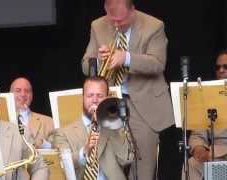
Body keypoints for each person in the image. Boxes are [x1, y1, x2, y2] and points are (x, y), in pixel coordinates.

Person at [81, 0, 175, 179]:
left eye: (121, 21)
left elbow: (158, 63)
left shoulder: (154, 26)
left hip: (144, 105)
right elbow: (86, 65)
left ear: (133, 10)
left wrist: (127, 58)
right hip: (109, 103)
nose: (116, 24)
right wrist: (99, 60)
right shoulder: (98, 25)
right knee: (109, 159)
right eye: (112, 19)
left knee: (143, 166)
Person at [51, 77, 133, 180]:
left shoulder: (118, 127)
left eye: (100, 96)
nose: (94, 100)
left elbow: (126, 159)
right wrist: (84, 151)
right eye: (90, 95)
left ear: (107, 99)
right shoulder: (62, 133)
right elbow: (61, 164)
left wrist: (110, 124)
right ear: (82, 98)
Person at [185, 49, 227, 180]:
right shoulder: (209, 97)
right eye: (218, 67)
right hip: (214, 153)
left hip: (220, 153)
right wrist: (198, 147)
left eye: (226, 67)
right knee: (192, 164)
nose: (221, 70)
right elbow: (198, 132)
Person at [10, 77, 54, 149]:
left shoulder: (49, 121)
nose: (23, 94)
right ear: (10, 94)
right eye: (18, 91)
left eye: (27, 91)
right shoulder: (0, 121)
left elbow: (58, 149)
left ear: (32, 95)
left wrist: (43, 143)